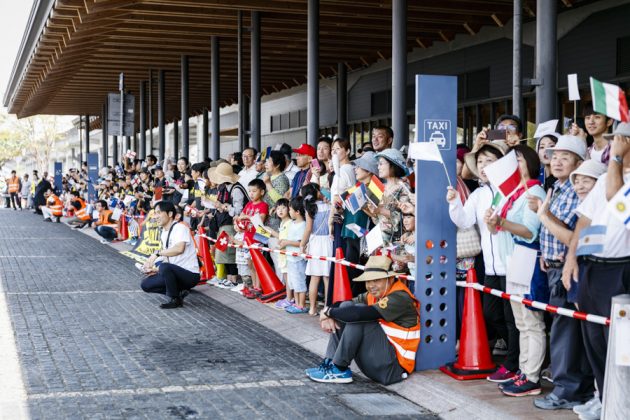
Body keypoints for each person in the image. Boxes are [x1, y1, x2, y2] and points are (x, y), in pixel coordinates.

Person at [563, 123, 630, 419]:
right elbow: (584, 221)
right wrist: (571, 259)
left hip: (621, 270)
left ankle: (621, 403)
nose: (614, 144)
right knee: (593, 339)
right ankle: (604, 398)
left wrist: (616, 159)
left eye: (619, 139)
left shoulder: (616, 180)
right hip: (591, 267)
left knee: (620, 343)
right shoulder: (604, 179)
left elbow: (618, 199)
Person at [528, 135, 595, 410]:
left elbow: (571, 236)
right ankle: (572, 388)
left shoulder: (574, 191)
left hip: (570, 270)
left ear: (580, 164)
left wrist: (543, 215)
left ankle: (568, 390)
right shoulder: (557, 186)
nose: (556, 160)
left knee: (566, 332)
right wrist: (544, 254)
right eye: (554, 155)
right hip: (554, 267)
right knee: (566, 329)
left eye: (565, 157)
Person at [448, 141, 518, 381]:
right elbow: (464, 221)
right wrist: (454, 201)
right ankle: (515, 356)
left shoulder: (511, 190)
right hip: (490, 266)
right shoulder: (478, 193)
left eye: (489, 161)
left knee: (512, 317)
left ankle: (514, 363)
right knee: (491, 314)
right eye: (480, 162)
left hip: (512, 265)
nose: (484, 166)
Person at [485, 145, 547, 397]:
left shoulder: (534, 190)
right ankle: (524, 372)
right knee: (521, 322)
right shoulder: (510, 192)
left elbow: (530, 231)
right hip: (514, 260)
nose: (514, 164)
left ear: (529, 162)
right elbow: (496, 229)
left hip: (528, 258)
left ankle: (532, 376)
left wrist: (501, 222)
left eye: (518, 159)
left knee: (532, 322)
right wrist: (493, 221)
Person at [305, 256, 419, 385]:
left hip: (394, 369)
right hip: (378, 359)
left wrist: (328, 312)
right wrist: (329, 312)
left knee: (359, 313)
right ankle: (331, 363)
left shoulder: (400, 296)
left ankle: (339, 368)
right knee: (346, 308)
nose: (371, 286)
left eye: (376, 280)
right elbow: (345, 304)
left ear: (391, 278)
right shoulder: (375, 294)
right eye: (368, 281)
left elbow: (358, 315)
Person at [140, 201, 201, 309]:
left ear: (170, 214)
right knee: (145, 285)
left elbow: (179, 249)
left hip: (190, 275)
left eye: (158, 213)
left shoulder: (180, 228)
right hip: (175, 272)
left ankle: (175, 299)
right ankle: (179, 293)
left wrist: (157, 254)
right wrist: (154, 269)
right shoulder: (164, 232)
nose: (155, 216)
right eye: (155, 213)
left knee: (164, 266)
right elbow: (167, 257)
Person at [365, 148, 411, 246]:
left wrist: (380, 210)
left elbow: (406, 218)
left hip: (397, 243)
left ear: (393, 165)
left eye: (381, 164)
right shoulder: (381, 187)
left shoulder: (403, 187)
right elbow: (378, 220)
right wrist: (371, 210)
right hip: (379, 240)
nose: (378, 167)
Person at [235, 178, 269, 299]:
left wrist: (246, 217)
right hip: (247, 238)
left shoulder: (263, 205)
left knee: (256, 264)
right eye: (249, 191)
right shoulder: (248, 204)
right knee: (250, 264)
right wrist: (240, 221)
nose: (251, 194)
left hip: (257, 239)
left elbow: (260, 220)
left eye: (254, 191)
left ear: (262, 192)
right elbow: (240, 218)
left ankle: (258, 287)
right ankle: (254, 286)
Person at [301, 183, 331, 316]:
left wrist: (302, 244)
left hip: (315, 243)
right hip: (328, 241)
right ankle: (326, 308)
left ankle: (312, 309)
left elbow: (308, 229)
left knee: (314, 277)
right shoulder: (330, 206)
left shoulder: (310, 208)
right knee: (327, 277)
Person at [279, 197, 308, 314]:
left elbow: (301, 242)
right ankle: (296, 303)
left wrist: (287, 242)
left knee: (300, 282)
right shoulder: (292, 223)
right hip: (290, 258)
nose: (289, 211)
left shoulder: (303, 225)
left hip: (298, 259)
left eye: (290, 209)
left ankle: (301, 305)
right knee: (293, 282)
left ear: (298, 212)